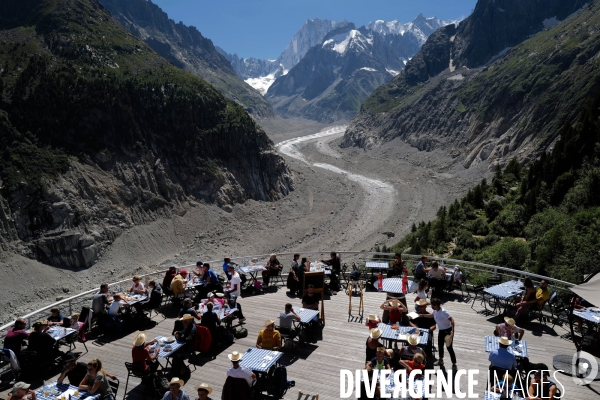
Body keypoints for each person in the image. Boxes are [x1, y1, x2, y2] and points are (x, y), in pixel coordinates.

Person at [418, 298, 457, 370]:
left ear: (436, 305)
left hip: (448, 331)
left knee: (449, 348)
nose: (431, 306)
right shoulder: (435, 311)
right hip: (441, 331)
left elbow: (452, 320)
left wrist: (452, 331)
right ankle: (441, 360)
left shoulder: (443, 312)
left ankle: (454, 364)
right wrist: (422, 315)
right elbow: (431, 315)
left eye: (432, 305)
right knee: (440, 346)